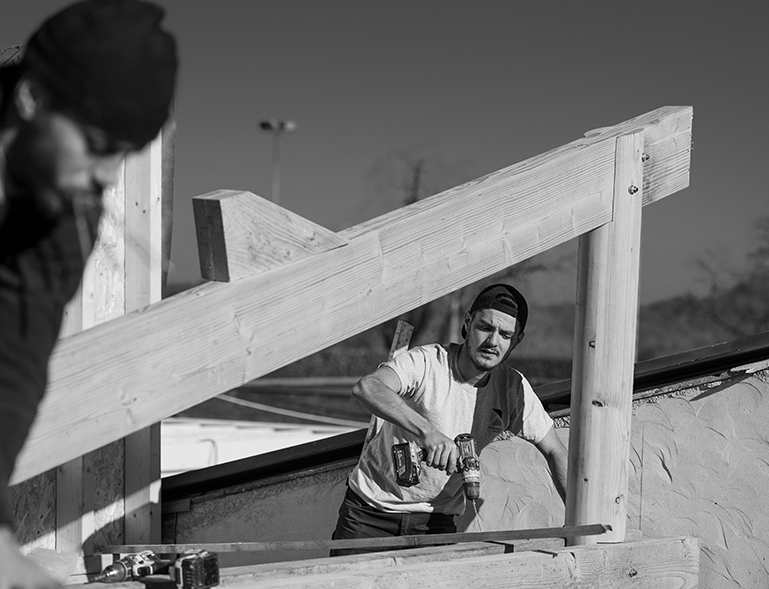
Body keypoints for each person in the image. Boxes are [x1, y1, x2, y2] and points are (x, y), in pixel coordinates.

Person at [0, 1, 177, 586]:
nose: (106, 176)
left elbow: (11, 371)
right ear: (31, 102)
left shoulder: (63, 214)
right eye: (98, 143)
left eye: (123, 152)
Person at [330, 283, 568, 556]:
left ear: (517, 340)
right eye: (485, 327)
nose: (493, 341)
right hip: (370, 514)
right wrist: (427, 432)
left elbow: (555, 450)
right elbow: (368, 387)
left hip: (436, 525)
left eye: (505, 334)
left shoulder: (512, 389)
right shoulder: (428, 362)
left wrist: (577, 517)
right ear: (468, 322)